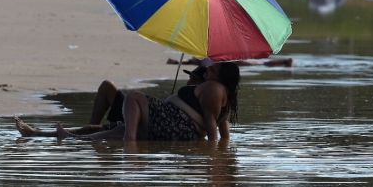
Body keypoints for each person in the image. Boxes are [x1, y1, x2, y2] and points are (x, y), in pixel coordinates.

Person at [57, 62, 240, 143]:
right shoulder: (224, 96)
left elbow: (212, 130)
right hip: (174, 124)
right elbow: (225, 137)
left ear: (222, 76)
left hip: (176, 126)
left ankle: (130, 143)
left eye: (214, 69)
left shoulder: (213, 88)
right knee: (112, 131)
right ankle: (71, 139)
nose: (209, 68)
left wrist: (213, 157)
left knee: (134, 97)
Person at [15, 65, 210, 138]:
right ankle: (90, 127)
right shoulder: (187, 96)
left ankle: (38, 134)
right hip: (141, 111)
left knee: (104, 131)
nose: (190, 80)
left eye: (193, 78)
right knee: (106, 88)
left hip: (143, 118)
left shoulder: (203, 100)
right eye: (190, 76)